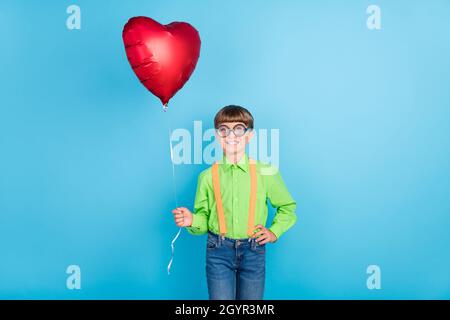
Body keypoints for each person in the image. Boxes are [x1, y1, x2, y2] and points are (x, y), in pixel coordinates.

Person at [172, 105, 297, 300]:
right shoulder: (207, 177)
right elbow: (204, 220)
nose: (231, 135)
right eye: (224, 129)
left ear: (250, 135)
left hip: (254, 251)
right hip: (218, 251)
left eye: (239, 128)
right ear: (216, 136)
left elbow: (287, 207)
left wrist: (274, 232)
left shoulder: (266, 172)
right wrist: (192, 220)